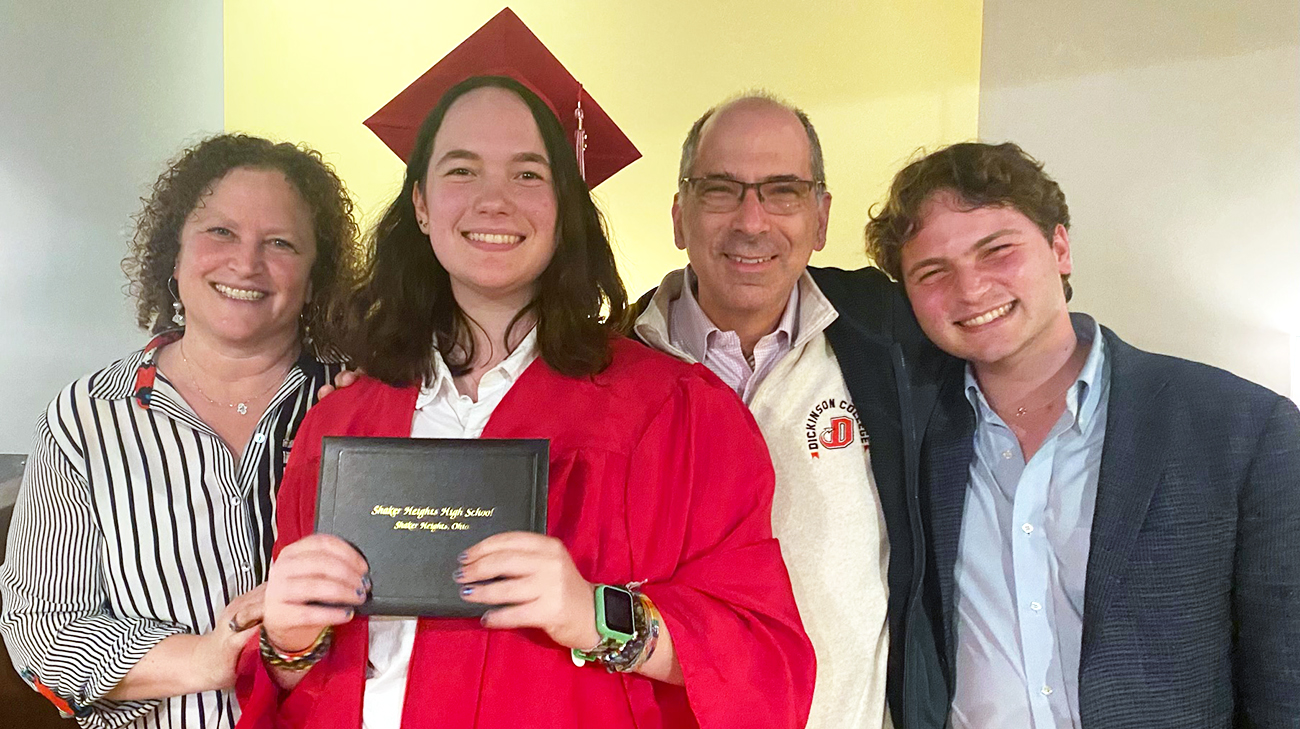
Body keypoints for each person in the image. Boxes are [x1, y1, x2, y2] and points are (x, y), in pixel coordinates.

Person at [234, 74, 813, 729]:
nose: (493, 201)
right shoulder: (340, 424)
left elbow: (764, 666)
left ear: (566, 207)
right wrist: (287, 639)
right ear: (421, 204)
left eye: (528, 175)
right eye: (461, 170)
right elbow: (300, 680)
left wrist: (597, 613)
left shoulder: (679, 414)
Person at [865, 141, 1300, 727]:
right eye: (932, 272)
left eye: (997, 250)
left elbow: (1286, 679)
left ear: (1060, 247)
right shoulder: (908, 434)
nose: (969, 291)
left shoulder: (1241, 428)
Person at [0, 134, 359, 729]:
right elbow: (41, 638)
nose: (246, 263)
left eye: (280, 243)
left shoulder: (359, 405)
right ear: (173, 252)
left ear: (315, 275)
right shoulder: (87, 418)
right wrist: (212, 657)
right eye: (220, 232)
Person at [632, 94, 950, 729]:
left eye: (783, 191)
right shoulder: (608, 370)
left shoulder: (892, 344)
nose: (752, 222)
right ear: (679, 215)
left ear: (821, 216)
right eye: (721, 190)